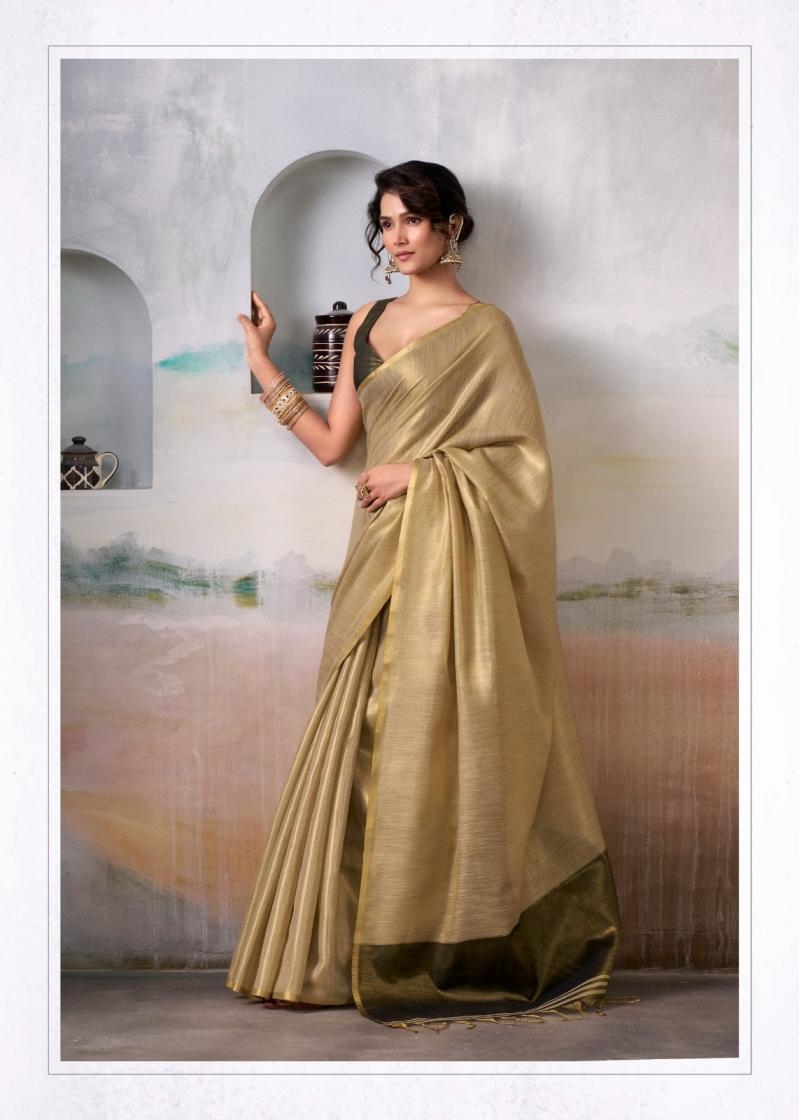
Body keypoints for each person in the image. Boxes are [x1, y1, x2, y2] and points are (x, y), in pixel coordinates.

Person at [225, 160, 625, 1032]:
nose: (398, 236)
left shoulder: (486, 331)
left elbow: (521, 464)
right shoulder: (366, 322)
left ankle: (443, 943)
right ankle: (323, 957)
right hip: (379, 556)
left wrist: (421, 472)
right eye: (386, 222)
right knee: (359, 736)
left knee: (442, 739)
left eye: (413, 219)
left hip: (452, 562)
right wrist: (260, 360)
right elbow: (333, 444)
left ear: (452, 227)